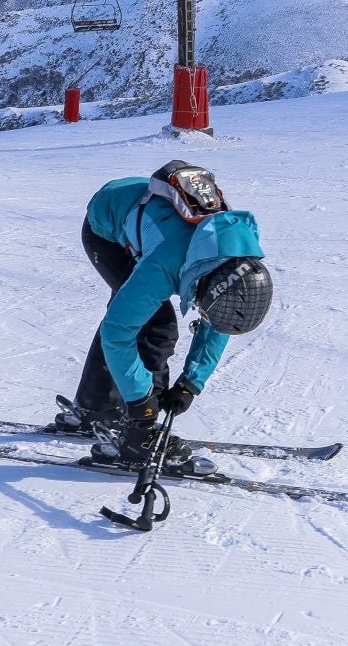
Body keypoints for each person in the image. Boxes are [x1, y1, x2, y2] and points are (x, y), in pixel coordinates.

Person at [52, 160, 273, 473]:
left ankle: (94, 407)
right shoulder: (164, 265)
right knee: (156, 325)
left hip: (147, 212)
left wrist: (190, 384)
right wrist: (143, 404)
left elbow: (219, 321)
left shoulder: (233, 265)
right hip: (106, 226)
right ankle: (138, 432)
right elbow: (118, 332)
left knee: (138, 316)